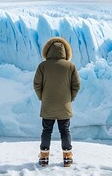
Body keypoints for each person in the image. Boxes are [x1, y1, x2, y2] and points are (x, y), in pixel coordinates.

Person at [33, 37, 80, 167]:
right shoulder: (70, 66)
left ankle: (43, 157)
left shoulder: (42, 66)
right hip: (64, 106)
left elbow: (37, 84)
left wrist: (42, 97)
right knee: (65, 130)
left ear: (47, 50)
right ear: (65, 51)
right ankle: (67, 158)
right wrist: (70, 98)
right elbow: (76, 85)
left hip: (48, 104)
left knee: (46, 130)